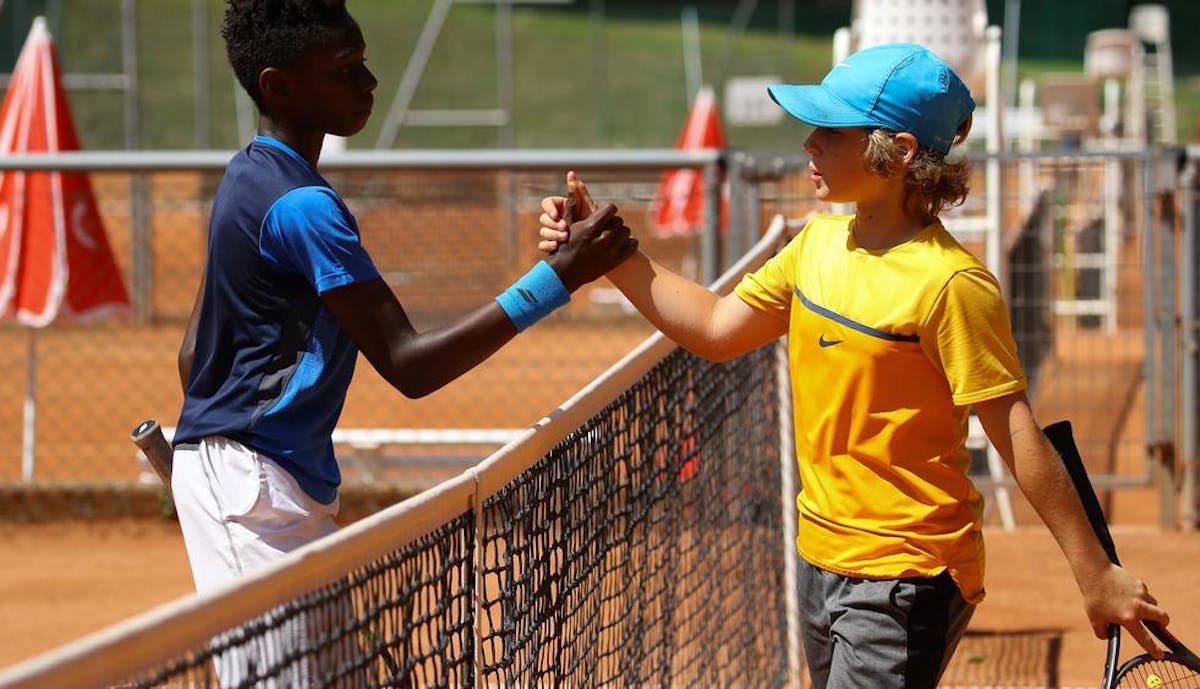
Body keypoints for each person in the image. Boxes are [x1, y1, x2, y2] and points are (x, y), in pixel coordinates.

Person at [538, 43, 1170, 688]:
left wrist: (1095, 572)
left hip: (906, 574)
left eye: (831, 131)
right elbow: (715, 328)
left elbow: (1015, 432)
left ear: (896, 153)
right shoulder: (816, 244)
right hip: (818, 557)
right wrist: (607, 252)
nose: (810, 143)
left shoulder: (951, 284)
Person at [170, 2, 633, 680]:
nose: (370, 82)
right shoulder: (303, 206)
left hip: (268, 487)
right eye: (346, 70)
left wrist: (227, 450)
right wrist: (555, 281)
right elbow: (410, 365)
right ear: (279, 87)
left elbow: (192, 357)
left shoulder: (248, 177)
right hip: (254, 494)